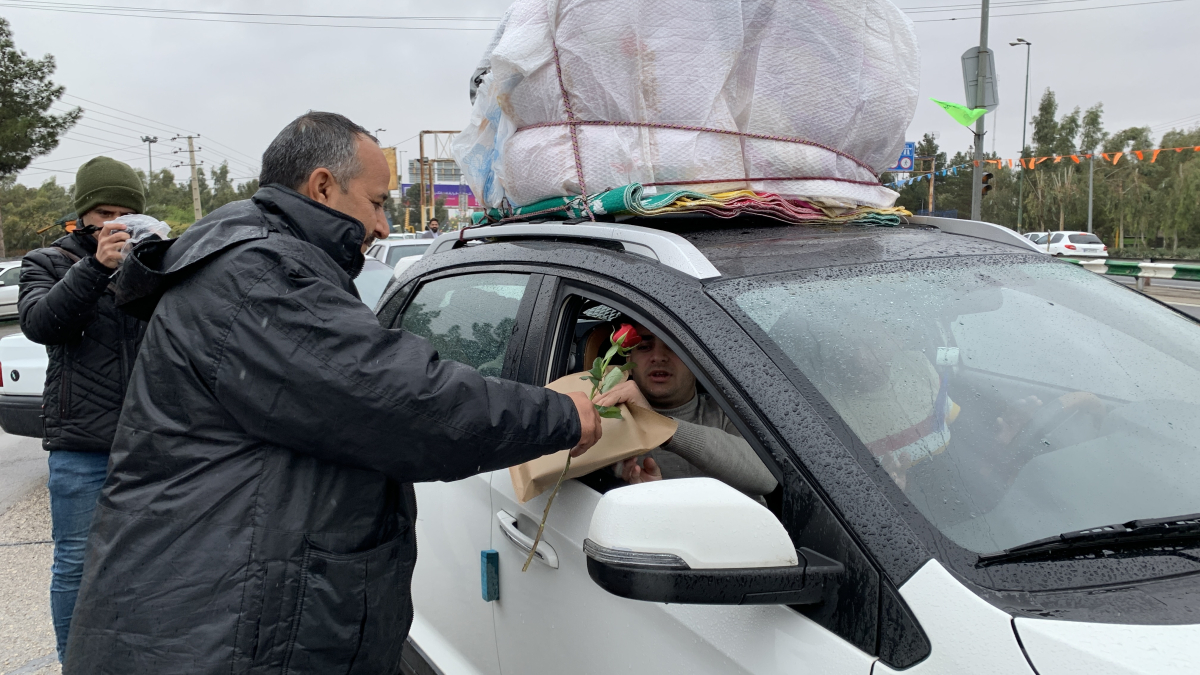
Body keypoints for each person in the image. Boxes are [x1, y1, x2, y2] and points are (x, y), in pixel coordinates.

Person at [63, 112, 601, 674]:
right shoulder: (257, 276)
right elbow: (405, 401)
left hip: (222, 611)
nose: (386, 227)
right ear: (322, 186)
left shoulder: (261, 262)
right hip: (216, 633)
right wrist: (564, 415)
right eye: (377, 202)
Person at [17, 156, 147, 662]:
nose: (116, 224)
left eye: (127, 214)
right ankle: (77, 662)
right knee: (76, 564)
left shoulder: (149, 260)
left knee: (148, 562)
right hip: (82, 447)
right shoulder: (46, 261)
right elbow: (41, 323)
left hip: (149, 444)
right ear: (84, 216)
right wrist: (95, 267)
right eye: (105, 213)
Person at [593, 322, 776, 497]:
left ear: (696, 359)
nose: (658, 357)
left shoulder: (730, 409)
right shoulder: (611, 420)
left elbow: (767, 477)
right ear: (628, 360)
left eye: (673, 346)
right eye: (644, 346)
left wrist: (661, 427)